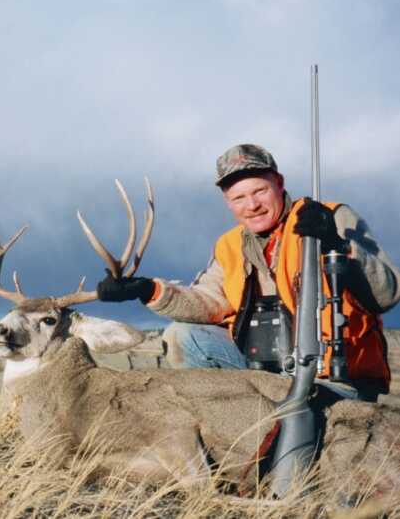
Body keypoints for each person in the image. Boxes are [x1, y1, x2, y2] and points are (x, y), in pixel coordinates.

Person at [96, 143, 400, 400]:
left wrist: (337, 245)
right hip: (268, 373)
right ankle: (227, 436)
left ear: (279, 184)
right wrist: (147, 290)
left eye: (260, 191)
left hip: (336, 378)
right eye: (238, 197)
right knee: (184, 336)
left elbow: (387, 294)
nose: (251, 205)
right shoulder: (230, 246)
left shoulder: (329, 217)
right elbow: (209, 301)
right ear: (227, 201)